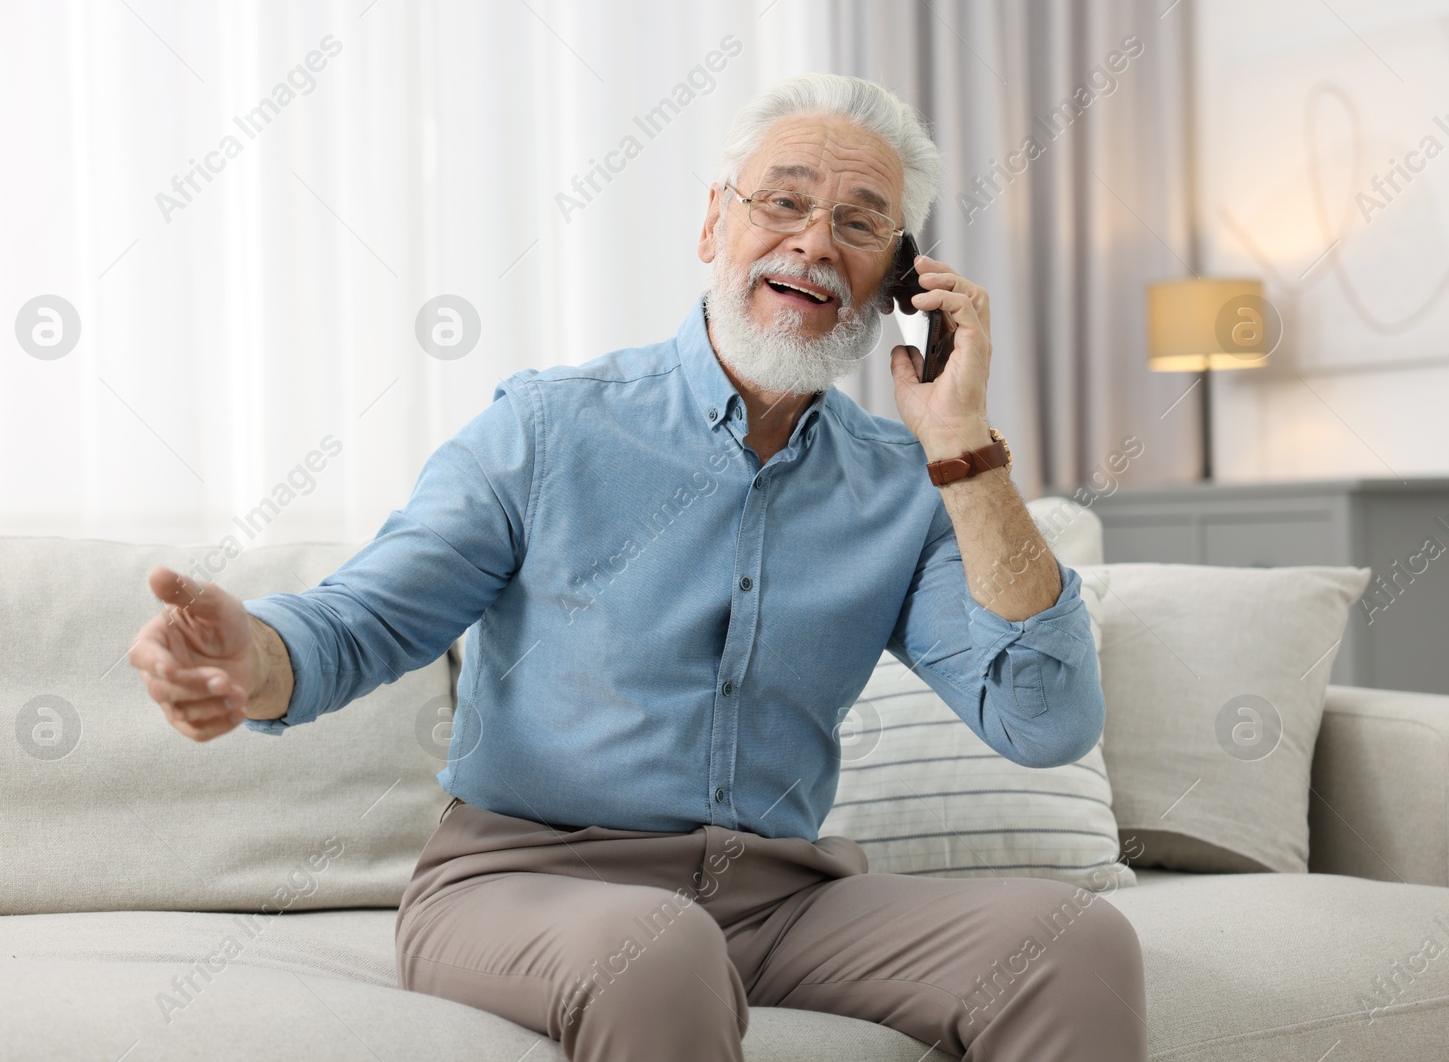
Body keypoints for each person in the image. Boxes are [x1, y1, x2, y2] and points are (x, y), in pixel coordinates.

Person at [127, 73, 1145, 1062]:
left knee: (1070, 940)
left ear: (896, 281)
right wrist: (250, 657)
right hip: (520, 883)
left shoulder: (905, 488)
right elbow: (364, 617)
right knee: (657, 946)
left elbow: (1043, 720)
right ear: (714, 225)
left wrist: (962, 443)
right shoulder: (547, 426)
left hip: (781, 897)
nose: (813, 242)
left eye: (858, 223)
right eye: (782, 202)